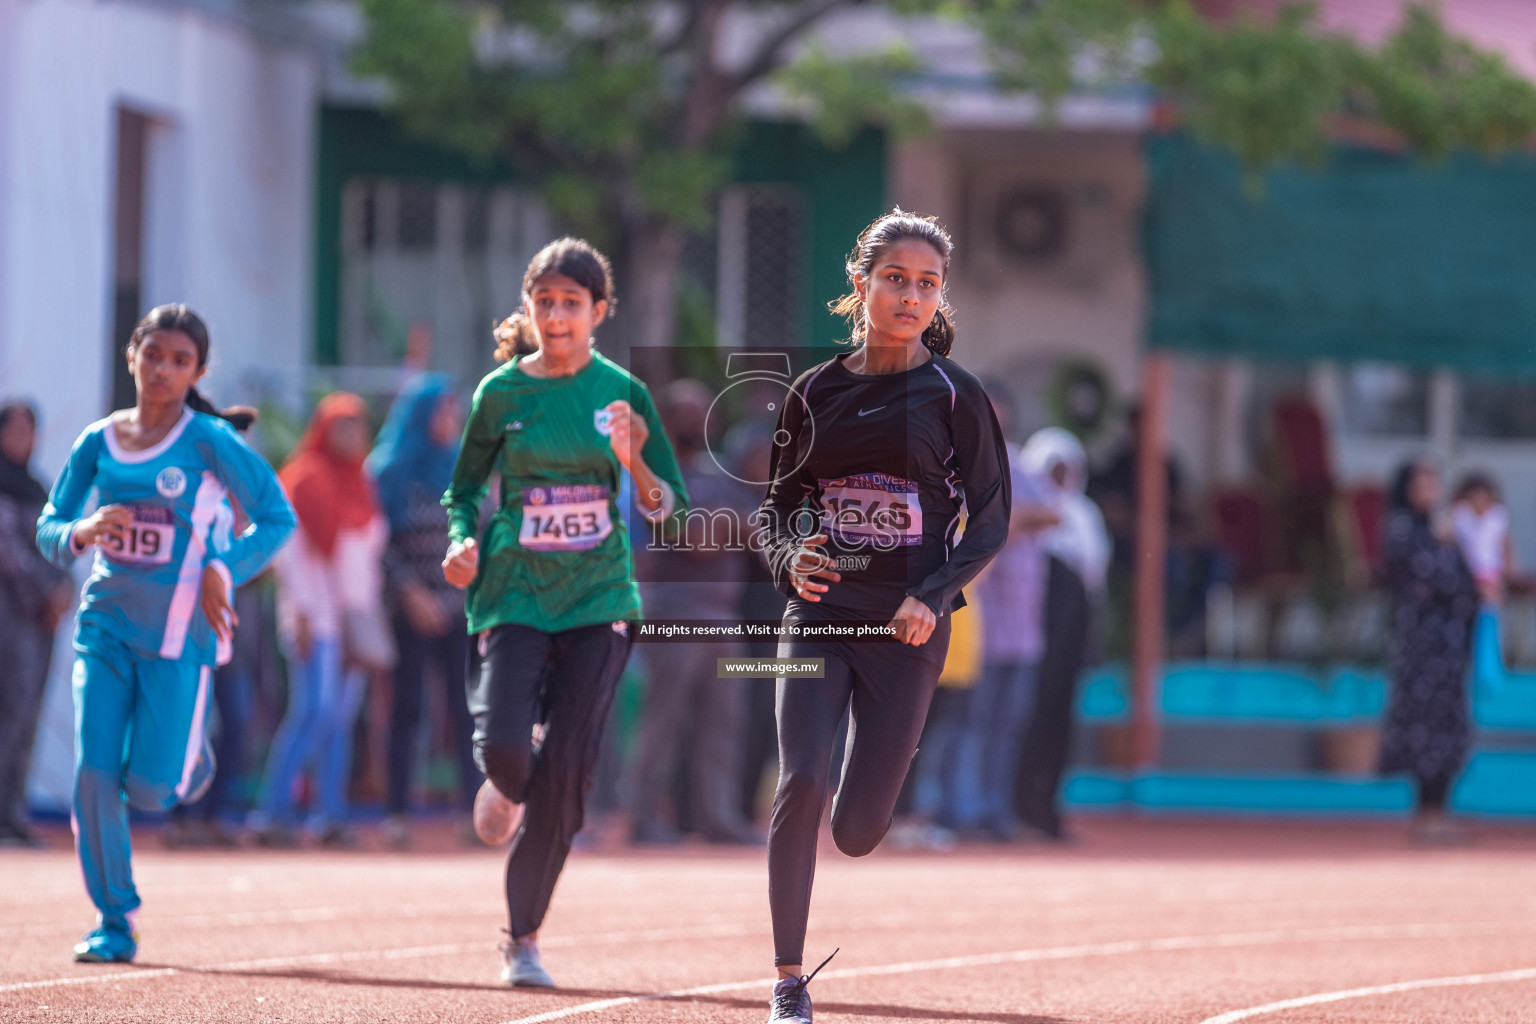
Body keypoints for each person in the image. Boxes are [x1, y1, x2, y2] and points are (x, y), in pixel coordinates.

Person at [757, 210, 1010, 1023]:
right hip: (820, 612)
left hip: (906, 628)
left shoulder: (953, 395)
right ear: (860, 284)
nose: (911, 296)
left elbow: (993, 518)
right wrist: (791, 557)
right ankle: (788, 977)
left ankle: (876, 776)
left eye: (928, 283)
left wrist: (931, 595)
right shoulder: (814, 392)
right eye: (896, 279)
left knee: (860, 828)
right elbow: (774, 512)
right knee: (801, 779)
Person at [440, 237, 688, 988]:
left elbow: (667, 508)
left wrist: (634, 458)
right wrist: (460, 542)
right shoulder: (501, 396)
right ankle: (512, 777)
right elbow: (462, 492)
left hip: (599, 597)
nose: (555, 315)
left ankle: (523, 939)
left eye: (570, 303)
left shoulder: (623, 395)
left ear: (599, 311)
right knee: (509, 756)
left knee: (568, 774)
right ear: (529, 306)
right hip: (513, 593)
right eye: (543, 301)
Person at [35, 304, 296, 962]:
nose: (163, 370)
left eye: (180, 362)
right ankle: (113, 918)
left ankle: (187, 760)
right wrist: (80, 533)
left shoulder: (208, 441)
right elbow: (49, 524)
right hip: (105, 628)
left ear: (197, 371)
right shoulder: (98, 441)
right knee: (94, 773)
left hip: (181, 636)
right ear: (132, 355)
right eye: (154, 356)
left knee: (151, 790)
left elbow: (275, 516)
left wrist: (223, 565)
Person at [626, 378, 760, 846]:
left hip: (722, 616)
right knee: (664, 720)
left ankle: (716, 817)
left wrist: (724, 528)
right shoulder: (655, 476)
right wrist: (730, 529)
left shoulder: (721, 475)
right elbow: (693, 539)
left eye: (704, 410)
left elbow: (761, 533)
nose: (700, 420)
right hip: (674, 614)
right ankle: (641, 817)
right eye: (687, 412)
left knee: (723, 723)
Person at [251, 393, 387, 848]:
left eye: (358, 426)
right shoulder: (305, 478)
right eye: (343, 426)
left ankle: (329, 815)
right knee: (313, 711)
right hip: (315, 619)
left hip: (350, 621)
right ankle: (273, 813)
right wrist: (303, 616)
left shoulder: (361, 481)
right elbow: (290, 558)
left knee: (340, 719)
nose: (353, 436)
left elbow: (364, 557)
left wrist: (362, 617)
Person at [369, 374, 481, 848]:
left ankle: (472, 813)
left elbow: (482, 534)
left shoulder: (465, 468)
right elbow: (377, 543)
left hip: (459, 609)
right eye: (444, 410)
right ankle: (398, 814)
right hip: (408, 610)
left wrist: (458, 594)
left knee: (466, 708)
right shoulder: (388, 471)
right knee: (408, 709)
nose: (452, 420)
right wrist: (412, 594)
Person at [1011, 427, 1109, 842]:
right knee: (1019, 720)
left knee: (1059, 724)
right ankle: (1011, 809)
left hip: (1069, 639)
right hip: (1025, 636)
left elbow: (1094, 579)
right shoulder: (1018, 510)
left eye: (1067, 470)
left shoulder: (1086, 517)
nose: (1060, 479)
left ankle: (1046, 812)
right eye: (1051, 469)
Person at [1379, 458, 1479, 846]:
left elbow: (1466, 579)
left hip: (1450, 649)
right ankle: (1426, 815)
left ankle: (1439, 811)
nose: (1430, 487)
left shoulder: (1439, 531)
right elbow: (1439, 577)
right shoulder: (1403, 529)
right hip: (1424, 652)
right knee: (1426, 732)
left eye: (1433, 480)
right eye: (1422, 481)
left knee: (1448, 730)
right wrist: (1447, 543)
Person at [0, 401, 74, 846]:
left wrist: (64, 590)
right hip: (10, 617)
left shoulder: (39, 489)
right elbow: (8, 553)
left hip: (41, 624)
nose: (22, 437)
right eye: (15, 428)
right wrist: (44, 595)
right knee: (7, 712)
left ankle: (13, 812)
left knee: (29, 714)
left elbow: (61, 543)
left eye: (30, 429)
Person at [1451, 472, 1514, 693]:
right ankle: (1464, 670)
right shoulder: (1460, 516)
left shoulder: (1497, 516)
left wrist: (1507, 576)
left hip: (1490, 578)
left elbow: (1505, 548)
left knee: (1488, 625)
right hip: (1464, 578)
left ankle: (1488, 675)